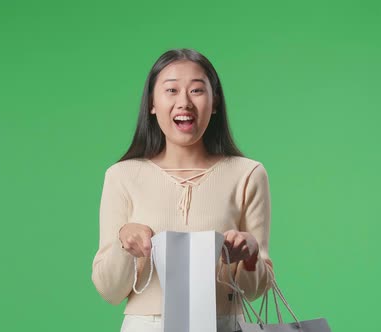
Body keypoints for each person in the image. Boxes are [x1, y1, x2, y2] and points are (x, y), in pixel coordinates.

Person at [91, 48, 274, 332]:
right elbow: (110, 291)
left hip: (224, 324)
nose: (184, 102)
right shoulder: (121, 176)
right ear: (152, 103)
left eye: (197, 91)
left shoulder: (248, 174)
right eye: (171, 90)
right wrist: (123, 242)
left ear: (214, 104)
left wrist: (250, 255)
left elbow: (254, 291)